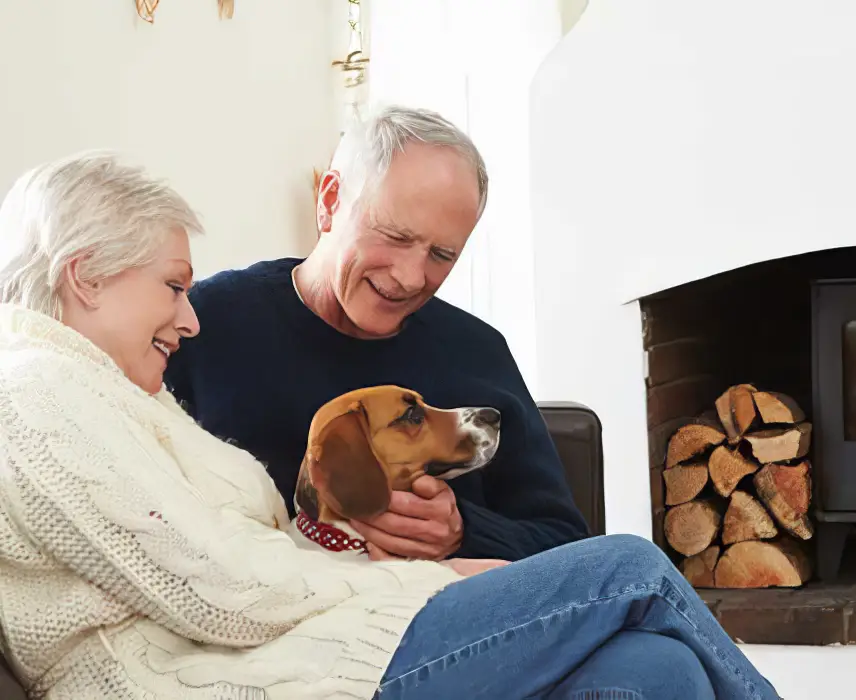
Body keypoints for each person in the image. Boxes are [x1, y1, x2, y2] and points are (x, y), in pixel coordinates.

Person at [0, 152, 781, 700]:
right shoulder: (42, 399)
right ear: (86, 277)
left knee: (656, 671)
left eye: (441, 252)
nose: (188, 316)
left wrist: (458, 544)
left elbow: (554, 531)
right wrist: (426, 578)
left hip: (312, 639)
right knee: (630, 569)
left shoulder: (121, 394)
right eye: (172, 287)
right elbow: (226, 585)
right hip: (247, 670)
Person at [163, 105, 590, 563]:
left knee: (632, 566)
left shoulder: (478, 351)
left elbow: (566, 543)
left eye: (441, 255)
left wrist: (463, 532)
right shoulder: (201, 324)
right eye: (394, 235)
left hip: (455, 620)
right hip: (263, 616)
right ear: (329, 202)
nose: (409, 277)